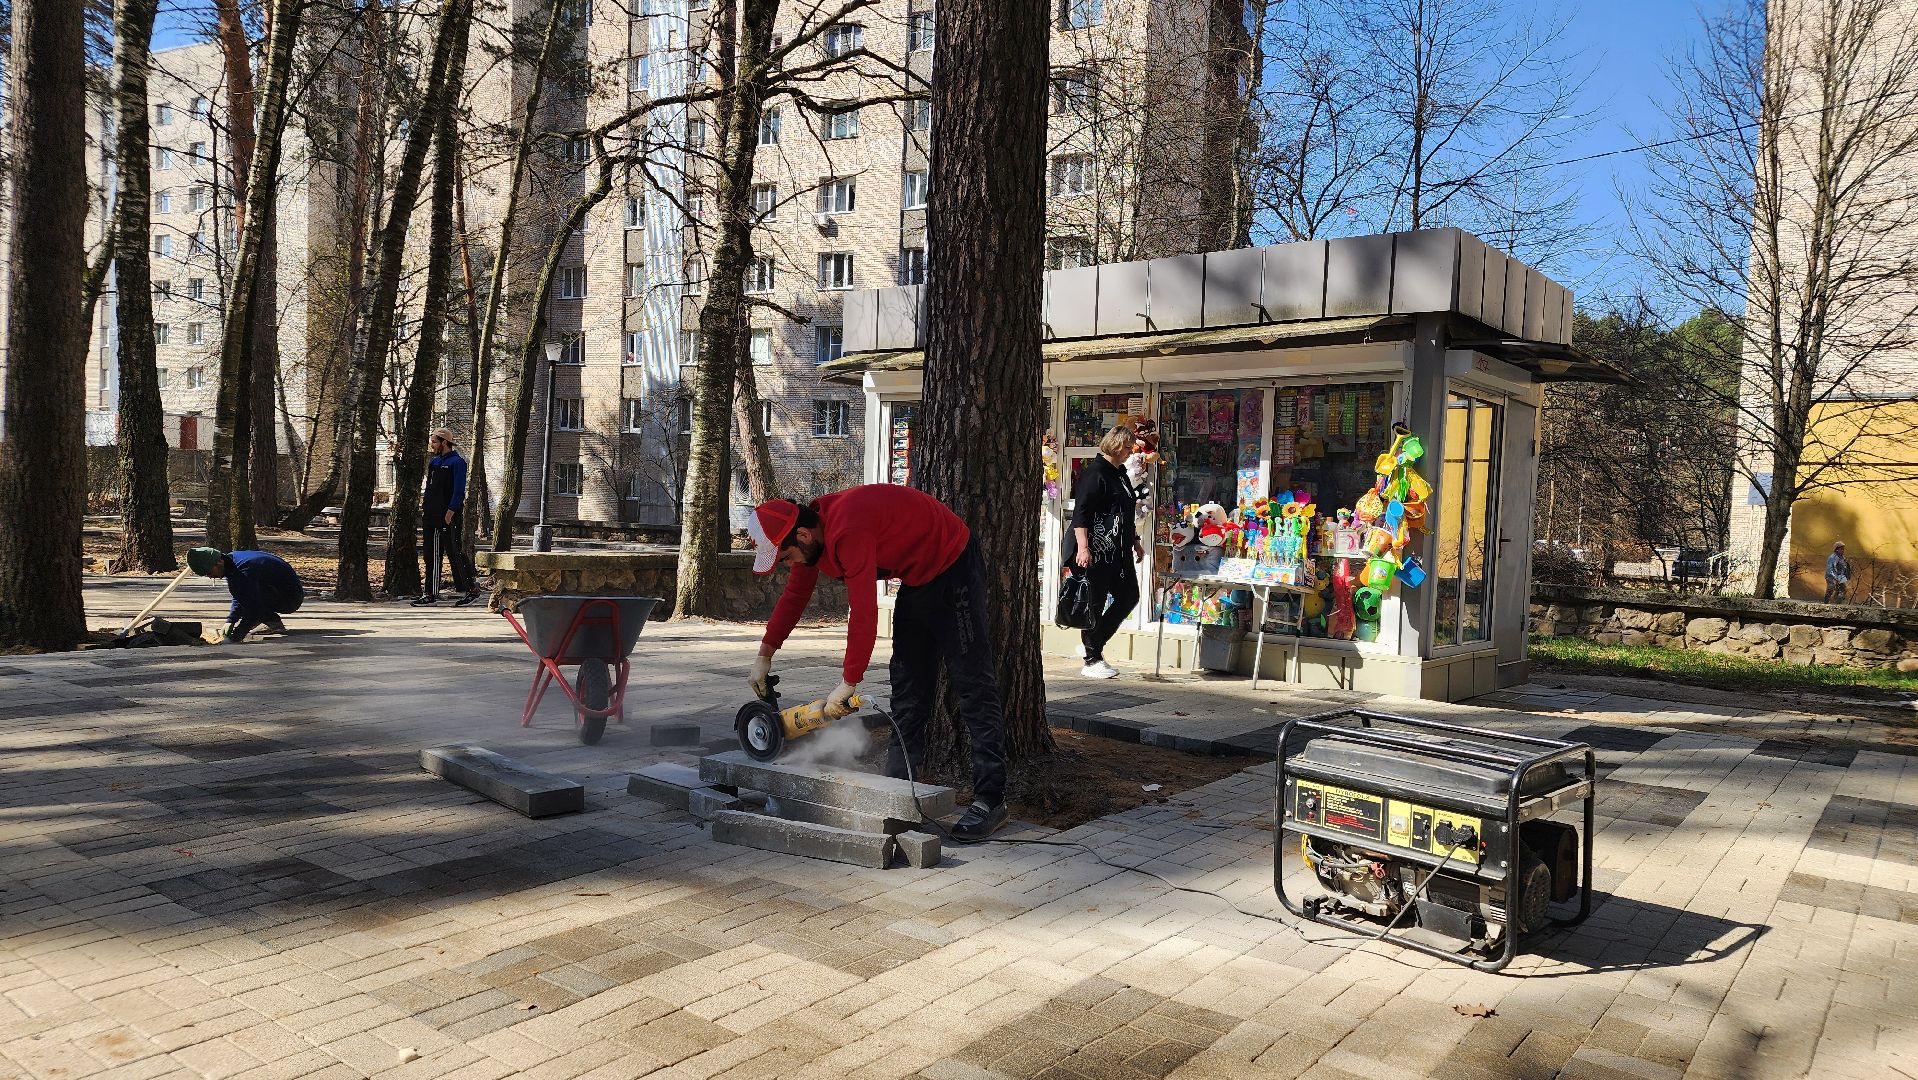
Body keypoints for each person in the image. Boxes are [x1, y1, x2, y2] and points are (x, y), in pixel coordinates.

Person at [748, 486, 1011, 842]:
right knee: (907, 687)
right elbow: (795, 596)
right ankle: (900, 789)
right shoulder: (812, 540)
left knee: (972, 684)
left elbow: (864, 613)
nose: (787, 565)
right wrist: (764, 656)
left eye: (785, 557)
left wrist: (848, 682)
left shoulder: (846, 530)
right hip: (918, 578)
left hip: (954, 565)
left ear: (803, 535)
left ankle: (991, 800)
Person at [1070, 425, 1146, 679]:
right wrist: (1083, 547)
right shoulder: (1096, 473)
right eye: (1126, 447)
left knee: (1129, 596)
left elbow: (1125, 511)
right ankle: (1092, 659)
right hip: (1098, 550)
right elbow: (1081, 513)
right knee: (1095, 602)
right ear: (1114, 445)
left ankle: (1093, 641)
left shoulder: (1120, 474)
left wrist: (1135, 539)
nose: (1129, 453)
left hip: (1119, 551)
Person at [413, 427, 481, 607]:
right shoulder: (434, 462)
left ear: (444, 442)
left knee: (454, 552)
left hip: (448, 515)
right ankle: (430, 592)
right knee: (431, 554)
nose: (432, 445)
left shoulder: (457, 462)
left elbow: (458, 490)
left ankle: (470, 589)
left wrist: (451, 511)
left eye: (434, 442)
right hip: (431, 515)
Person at [187, 546, 304, 644]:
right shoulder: (232, 562)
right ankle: (268, 620)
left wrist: (236, 637)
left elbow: (252, 605)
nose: (210, 577)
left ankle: (272, 621)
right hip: (274, 590)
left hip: (290, 598)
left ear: (219, 562)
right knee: (248, 595)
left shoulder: (246, 568)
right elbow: (238, 594)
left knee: (252, 603)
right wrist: (231, 620)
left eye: (209, 572)